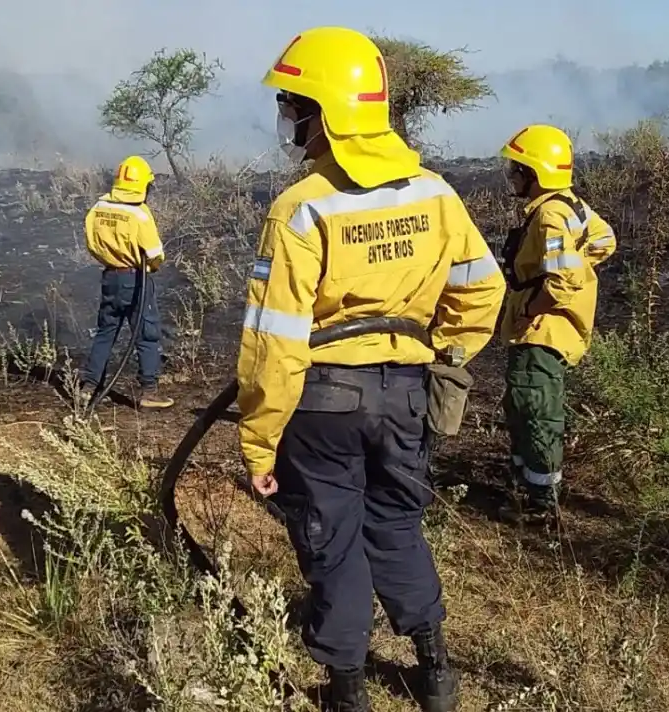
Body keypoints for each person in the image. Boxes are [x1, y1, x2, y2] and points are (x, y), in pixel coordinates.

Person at [235, 26, 506, 712]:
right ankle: (436, 671)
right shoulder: (437, 195)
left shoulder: (301, 209)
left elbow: (275, 341)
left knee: (334, 538)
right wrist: (443, 352)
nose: (289, 118)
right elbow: (484, 288)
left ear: (323, 114)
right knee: (396, 525)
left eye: (296, 104)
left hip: (323, 405)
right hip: (405, 395)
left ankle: (348, 689)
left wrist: (258, 440)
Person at [496, 124, 617, 519]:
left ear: (534, 174)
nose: (511, 177)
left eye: (517, 170)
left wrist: (532, 307)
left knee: (535, 409)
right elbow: (604, 240)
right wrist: (578, 267)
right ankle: (524, 485)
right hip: (549, 329)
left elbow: (563, 281)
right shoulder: (570, 205)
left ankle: (541, 503)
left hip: (542, 330)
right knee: (522, 403)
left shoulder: (548, 217)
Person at [80, 155, 174, 409]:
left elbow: (92, 243)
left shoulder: (99, 208)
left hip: (110, 277)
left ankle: (88, 387)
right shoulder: (139, 214)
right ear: (143, 186)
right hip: (136, 279)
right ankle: (150, 392)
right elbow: (155, 256)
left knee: (105, 331)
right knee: (146, 334)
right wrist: (147, 265)